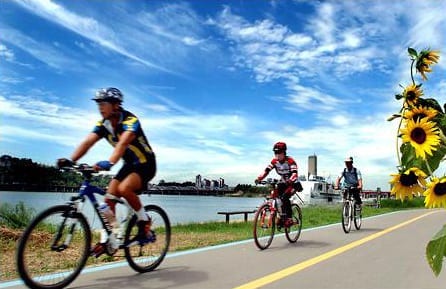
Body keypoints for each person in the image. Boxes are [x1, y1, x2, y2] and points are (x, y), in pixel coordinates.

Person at [57, 87, 156, 255]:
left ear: (116, 105)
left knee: (124, 189)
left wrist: (109, 162)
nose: (100, 107)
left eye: (103, 103)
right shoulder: (103, 124)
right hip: (129, 165)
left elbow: (123, 144)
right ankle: (112, 238)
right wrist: (72, 160)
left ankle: (144, 221)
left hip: (145, 164)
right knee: (107, 202)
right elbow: (88, 142)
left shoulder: (130, 121)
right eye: (98, 104)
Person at [255, 141, 301, 228]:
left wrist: (290, 181)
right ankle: (281, 216)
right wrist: (259, 178)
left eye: (279, 152)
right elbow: (266, 171)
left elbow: (295, 173)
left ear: (284, 152)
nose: (277, 154)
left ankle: (289, 218)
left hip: (293, 182)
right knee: (275, 196)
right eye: (275, 152)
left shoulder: (290, 161)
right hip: (283, 181)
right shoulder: (274, 161)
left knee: (285, 197)